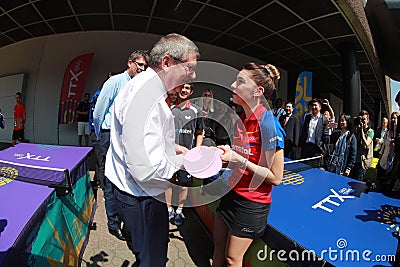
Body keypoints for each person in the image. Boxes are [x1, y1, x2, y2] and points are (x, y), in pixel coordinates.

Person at [105, 33, 199, 266]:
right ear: (167, 63)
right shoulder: (145, 97)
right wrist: (191, 161)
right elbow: (147, 168)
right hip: (141, 196)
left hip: (138, 192)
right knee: (152, 261)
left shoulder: (146, 88)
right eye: (189, 68)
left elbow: (145, 140)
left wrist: (174, 148)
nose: (193, 76)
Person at [212, 62, 285, 267]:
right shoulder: (241, 118)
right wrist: (221, 154)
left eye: (240, 81)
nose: (233, 85)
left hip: (252, 203)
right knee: (218, 244)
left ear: (257, 91)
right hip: (232, 191)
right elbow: (240, 156)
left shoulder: (268, 124)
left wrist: (239, 159)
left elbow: (276, 177)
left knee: (232, 258)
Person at [93, 50, 149, 241]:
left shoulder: (139, 86)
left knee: (124, 179)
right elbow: (99, 110)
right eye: (139, 65)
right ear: (130, 63)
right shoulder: (115, 82)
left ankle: (125, 218)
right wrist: (100, 136)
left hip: (127, 138)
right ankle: (113, 223)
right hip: (109, 136)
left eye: (144, 66)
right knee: (110, 180)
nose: (141, 69)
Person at [166, 83, 204, 225]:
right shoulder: (169, 108)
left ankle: (179, 211)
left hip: (187, 156)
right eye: (182, 87)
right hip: (170, 155)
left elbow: (200, 132)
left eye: (187, 88)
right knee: (168, 182)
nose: (183, 90)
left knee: (183, 184)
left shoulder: (196, 110)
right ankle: (168, 208)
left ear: (191, 91)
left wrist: (196, 150)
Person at [298, 98, 329, 168]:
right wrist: (300, 146)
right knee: (304, 167)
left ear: (320, 107)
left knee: (314, 169)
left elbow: (326, 137)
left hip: (316, 148)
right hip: (306, 147)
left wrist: (323, 151)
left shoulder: (324, 120)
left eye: (315, 105)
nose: (314, 107)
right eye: (312, 105)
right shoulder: (308, 117)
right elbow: (303, 133)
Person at [350, 110, 374, 181]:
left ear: (368, 120)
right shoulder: (356, 130)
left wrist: (362, 131)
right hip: (354, 160)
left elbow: (366, 145)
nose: (362, 122)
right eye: (361, 119)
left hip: (362, 161)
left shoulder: (370, 131)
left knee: (358, 182)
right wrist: (354, 124)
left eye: (364, 120)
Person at [377, 112, 398, 191]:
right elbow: (383, 148)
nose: (393, 120)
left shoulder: (398, 135)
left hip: (392, 167)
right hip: (383, 163)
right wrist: (379, 160)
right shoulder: (387, 133)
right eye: (391, 118)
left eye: (395, 118)